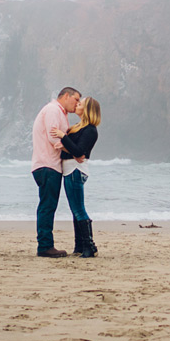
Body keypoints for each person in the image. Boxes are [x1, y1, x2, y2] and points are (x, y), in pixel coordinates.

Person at [30, 86, 80, 257]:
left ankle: (45, 244)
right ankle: (45, 246)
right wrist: (74, 149)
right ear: (66, 96)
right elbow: (53, 137)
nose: (77, 104)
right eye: (76, 99)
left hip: (48, 164)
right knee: (47, 205)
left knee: (48, 205)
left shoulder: (59, 112)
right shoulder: (53, 110)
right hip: (47, 165)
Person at [52, 96, 100, 258]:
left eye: (80, 104)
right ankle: (80, 245)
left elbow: (79, 152)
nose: (77, 105)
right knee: (75, 210)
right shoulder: (78, 127)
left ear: (87, 110)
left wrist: (62, 137)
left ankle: (89, 246)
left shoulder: (90, 130)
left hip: (75, 170)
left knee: (78, 209)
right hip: (70, 169)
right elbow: (75, 150)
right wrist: (65, 147)